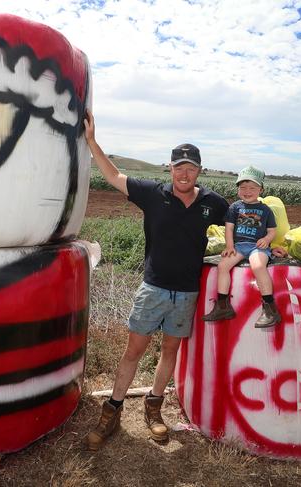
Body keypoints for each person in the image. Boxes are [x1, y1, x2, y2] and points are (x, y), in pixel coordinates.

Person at [83, 111, 229, 451]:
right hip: (154, 288)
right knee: (134, 350)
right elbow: (114, 175)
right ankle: (112, 411)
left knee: (170, 350)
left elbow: (245, 220)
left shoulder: (214, 204)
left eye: (191, 167)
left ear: (199, 171)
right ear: (171, 168)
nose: (184, 172)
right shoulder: (152, 193)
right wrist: (92, 141)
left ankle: (154, 407)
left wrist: (272, 242)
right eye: (179, 166)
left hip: (187, 292)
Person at [201, 166, 282, 328]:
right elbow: (229, 228)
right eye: (243, 187)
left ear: (261, 189)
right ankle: (223, 306)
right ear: (238, 189)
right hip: (239, 246)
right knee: (223, 266)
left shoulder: (265, 210)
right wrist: (230, 246)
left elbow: (272, 231)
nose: (247, 191)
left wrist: (266, 239)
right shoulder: (235, 207)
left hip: (257, 247)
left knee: (258, 266)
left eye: (252, 188)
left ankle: (270, 308)